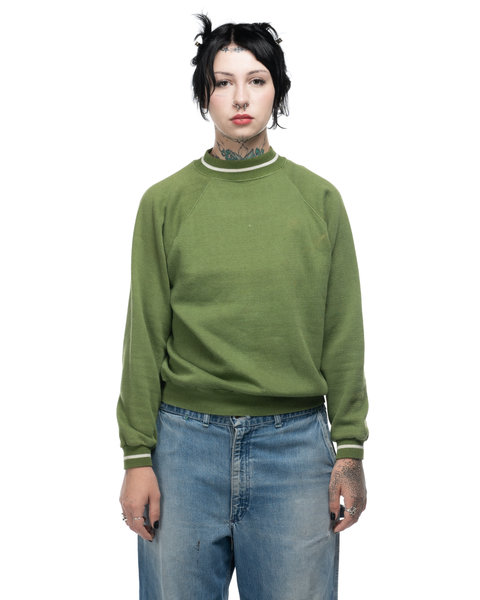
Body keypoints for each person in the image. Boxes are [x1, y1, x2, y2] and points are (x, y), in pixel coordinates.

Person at [117, 14, 369, 600]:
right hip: (183, 447)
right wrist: (136, 456)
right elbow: (144, 334)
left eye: (256, 81)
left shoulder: (319, 200)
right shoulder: (164, 203)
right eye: (223, 82)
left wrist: (350, 448)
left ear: (276, 90)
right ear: (204, 93)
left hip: (296, 449)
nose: (239, 98)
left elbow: (342, 330)